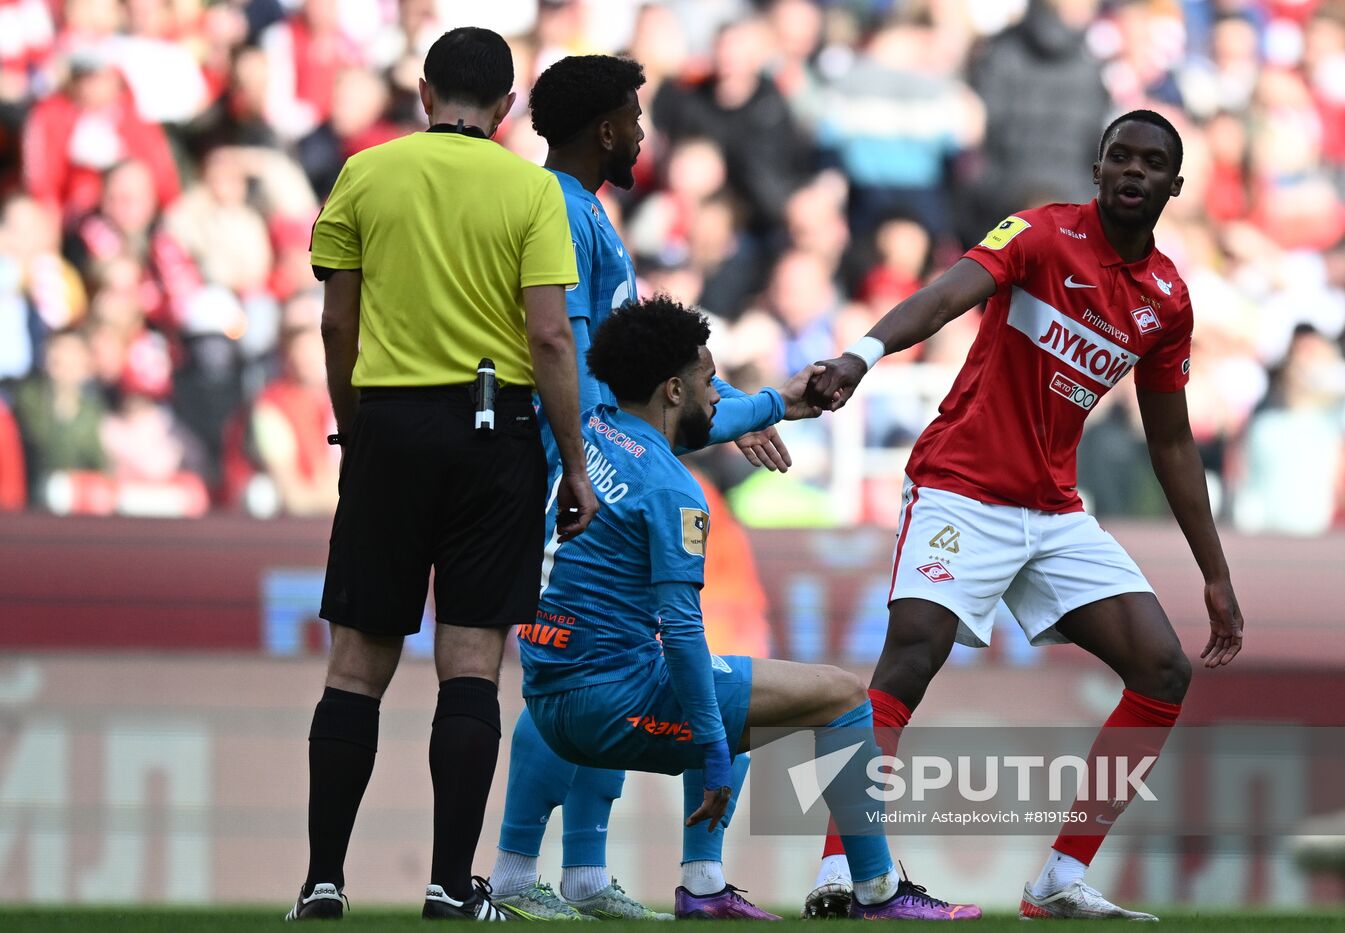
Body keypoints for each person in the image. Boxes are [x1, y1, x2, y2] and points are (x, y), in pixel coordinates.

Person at [805, 110, 1245, 921]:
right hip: (962, 487)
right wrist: (860, 356)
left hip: (1052, 507)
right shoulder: (1041, 234)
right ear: (1098, 167)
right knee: (909, 657)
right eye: (1120, 156)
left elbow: (1174, 444)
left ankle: (1058, 877)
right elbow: (944, 295)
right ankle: (843, 869)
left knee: (1162, 669)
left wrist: (1214, 574)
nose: (1133, 172)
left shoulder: (1167, 299)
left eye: (1152, 163)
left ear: (1174, 186)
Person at [524, 293, 981, 921]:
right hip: (612, 705)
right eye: (710, 380)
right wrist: (714, 756)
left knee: (735, 687)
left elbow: (697, 425)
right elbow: (683, 635)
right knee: (840, 696)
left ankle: (704, 885)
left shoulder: (594, 430)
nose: (719, 396)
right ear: (674, 391)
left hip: (547, 697)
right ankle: (877, 892)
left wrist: (777, 403)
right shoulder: (674, 491)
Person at [487, 53, 808, 922]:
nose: (643, 131)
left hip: (593, 463)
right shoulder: (560, 209)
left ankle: (580, 872)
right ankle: (516, 871)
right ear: (604, 129)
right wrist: (602, 454)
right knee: (580, 671)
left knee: (605, 666)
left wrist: (727, 413)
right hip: (581, 473)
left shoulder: (584, 211)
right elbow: (582, 364)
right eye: (634, 116)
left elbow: (643, 374)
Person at [288, 26, 597, 921]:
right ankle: (448, 884)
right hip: (492, 433)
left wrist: (355, 428)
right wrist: (572, 462)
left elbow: (335, 325)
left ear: (425, 92)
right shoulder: (530, 190)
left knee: (354, 665)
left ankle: (322, 880)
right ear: (508, 108)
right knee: (470, 662)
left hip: (386, 424)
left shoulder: (363, 173)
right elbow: (548, 336)